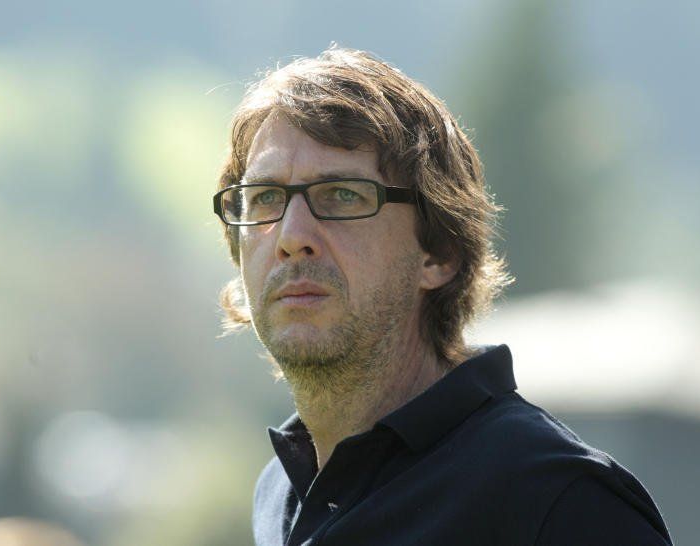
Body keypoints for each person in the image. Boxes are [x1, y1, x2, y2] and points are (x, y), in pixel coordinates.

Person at [213, 47, 673, 546]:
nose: (290, 236)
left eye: (342, 195)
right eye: (264, 198)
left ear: (439, 253)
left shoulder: (558, 501)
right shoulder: (278, 494)